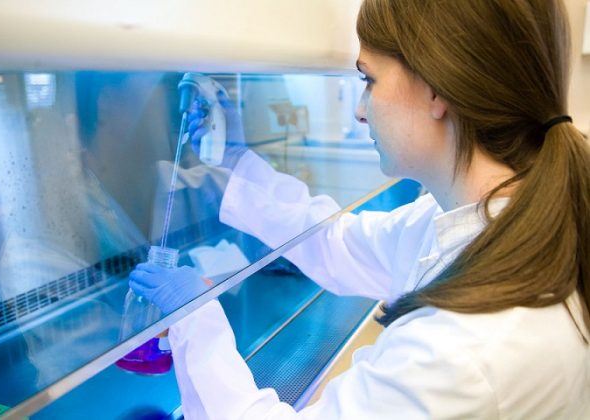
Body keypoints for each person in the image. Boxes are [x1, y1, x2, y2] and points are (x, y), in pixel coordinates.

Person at [128, 0, 590, 418]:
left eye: (369, 80)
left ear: (436, 89)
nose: (360, 111)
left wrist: (195, 319)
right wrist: (234, 160)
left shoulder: (464, 350)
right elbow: (338, 244)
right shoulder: (490, 219)